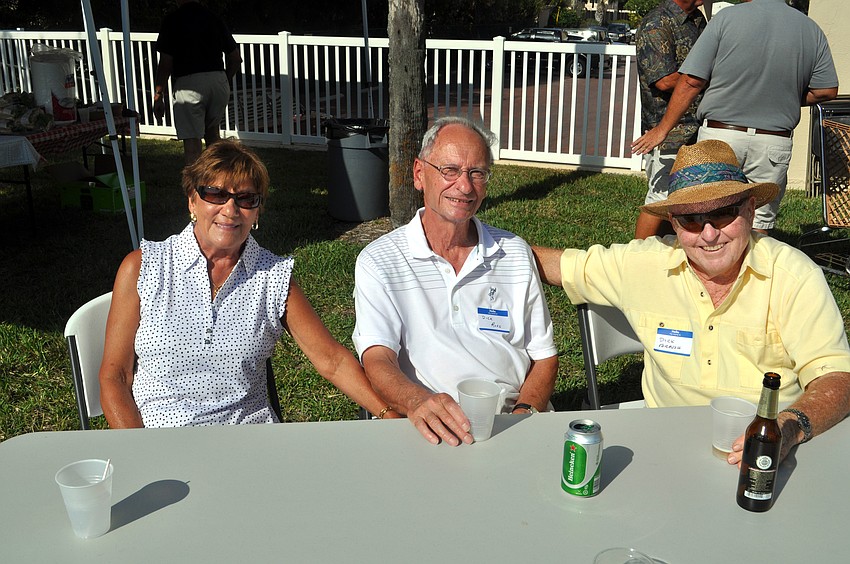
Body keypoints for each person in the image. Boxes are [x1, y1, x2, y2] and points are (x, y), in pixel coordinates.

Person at [533, 139, 850, 465]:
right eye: (691, 219)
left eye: (723, 214)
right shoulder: (645, 264)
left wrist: (788, 426)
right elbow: (557, 265)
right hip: (664, 447)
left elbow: (837, 377)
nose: (709, 234)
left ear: (750, 210)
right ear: (673, 223)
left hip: (767, 452)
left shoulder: (793, 276)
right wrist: (479, 238)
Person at [98, 140, 396, 427]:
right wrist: (140, 451)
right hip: (162, 440)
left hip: (249, 440)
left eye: (246, 199)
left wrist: (388, 414)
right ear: (192, 200)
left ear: (257, 211)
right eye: (215, 194)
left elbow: (332, 360)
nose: (230, 210)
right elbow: (116, 377)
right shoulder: (144, 267)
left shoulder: (273, 276)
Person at [352, 116, 559, 446]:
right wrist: (419, 402)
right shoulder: (381, 262)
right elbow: (377, 359)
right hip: (433, 425)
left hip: (513, 421)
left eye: (477, 173)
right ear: (420, 174)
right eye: (450, 170)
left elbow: (544, 356)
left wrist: (524, 413)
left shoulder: (514, 254)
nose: (465, 186)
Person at [631, 0, 839, 234]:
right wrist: (782, 96)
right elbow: (826, 91)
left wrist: (663, 128)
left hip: (721, 135)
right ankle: (752, 267)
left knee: (708, 216)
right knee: (758, 222)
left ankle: (705, 266)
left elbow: (692, 80)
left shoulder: (725, 18)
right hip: (773, 141)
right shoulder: (810, 28)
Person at [633, 0, 706, 239]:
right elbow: (663, 80)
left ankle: (665, 250)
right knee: (661, 200)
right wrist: (709, 75)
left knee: (682, 202)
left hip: (698, 127)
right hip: (669, 131)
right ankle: (638, 258)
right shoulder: (656, 23)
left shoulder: (698, 20)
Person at [153, 0, 242, 165]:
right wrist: (224, 80)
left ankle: (194, 189)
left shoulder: (172, 20)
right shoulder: (214, 18)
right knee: (213, 138)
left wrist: (159, 94)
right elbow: (235, 59)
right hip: (218, 82)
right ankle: (216, 185)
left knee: (193, 145)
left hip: (189, 84)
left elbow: (165, 63)